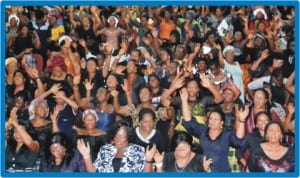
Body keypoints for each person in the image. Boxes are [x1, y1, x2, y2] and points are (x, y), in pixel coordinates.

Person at [180, 87, 249, 172]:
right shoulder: (202, 131)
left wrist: (241, 120)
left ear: (221, 123)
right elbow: (188, 121)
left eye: (216, 119)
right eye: (211, 119)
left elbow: (239, 140)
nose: (212, 121)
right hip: (202, 170)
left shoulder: (227, 134)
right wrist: (184, 100)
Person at [77, 120, 146, 172]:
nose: (117, 139)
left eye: (121, 136)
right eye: (115, 135)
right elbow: (92, 172)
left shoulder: (138, 150)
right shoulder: (105, 149)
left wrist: (150, 161)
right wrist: (86, 156)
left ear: (128, 136)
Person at [144, 131, 212, 172]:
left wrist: (208, 171)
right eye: (178, 150)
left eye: (184, 149)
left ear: (191, 145)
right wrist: (159, 165)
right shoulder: (167, 158)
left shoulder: (202, 160)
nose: (182, 153)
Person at [6, 107, 39, 172]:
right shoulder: (9, 143)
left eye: (21, 132)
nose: (18, 135)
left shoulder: (35, 144)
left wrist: (16, 124)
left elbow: (29, 143)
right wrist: (9, 123)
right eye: (15, 132)